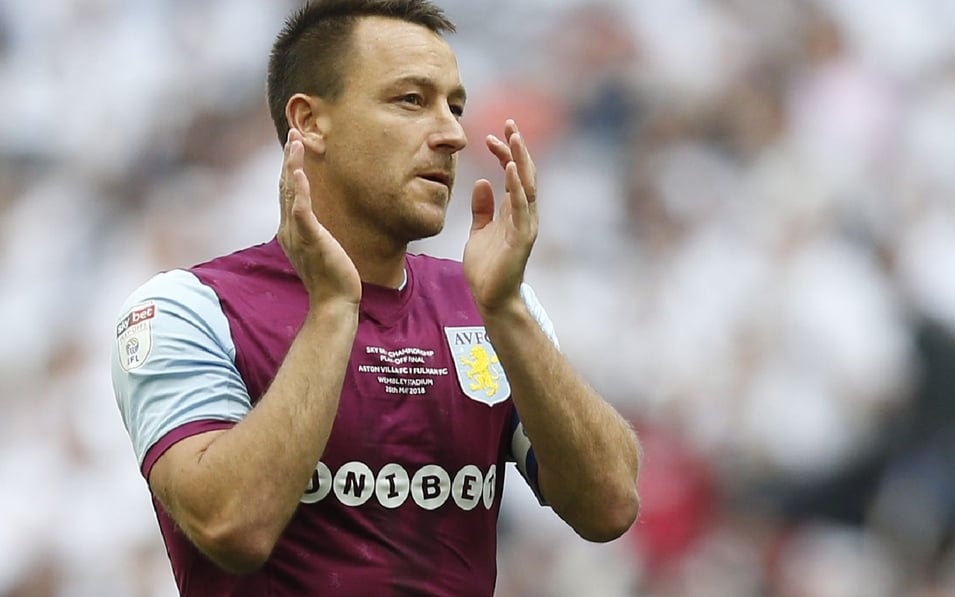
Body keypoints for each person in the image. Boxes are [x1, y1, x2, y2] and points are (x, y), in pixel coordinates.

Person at [110, 0, 641, 594]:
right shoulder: (191, 309)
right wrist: (336, 309)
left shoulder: (488, 305)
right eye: (412, 100)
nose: (452, 134)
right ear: (310, 122)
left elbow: (610, 507)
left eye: (455, 106)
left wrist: (508, 312)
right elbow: (233, 524)